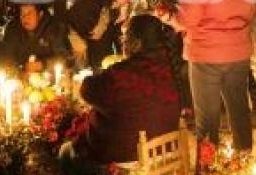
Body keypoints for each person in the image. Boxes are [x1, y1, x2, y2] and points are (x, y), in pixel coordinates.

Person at [171, 0, 256, 150]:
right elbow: (251, 8)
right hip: (238, 50)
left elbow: (185, 20)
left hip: (206, 52)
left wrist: (166, 15)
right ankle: (245, 169)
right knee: (240, 111)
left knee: (207, 122)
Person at [75, 15, 184, 164]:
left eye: (126, 36)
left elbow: (87, 90)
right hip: (166, 153)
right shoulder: (173, 66)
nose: (122, 41)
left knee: (67, 152)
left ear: (137, 43)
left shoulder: (122, 75)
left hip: (127, 157)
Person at [56, 0, 119, 69]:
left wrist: (103, 22)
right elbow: (60, 17)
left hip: (102, 34)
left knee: (102, 67)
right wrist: (73, 36)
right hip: (79, 39)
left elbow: (108, 1)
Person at [0, 3, 70, 71]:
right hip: (19, 78)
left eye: (29, 13)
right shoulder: (13, 29)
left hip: (48, 78)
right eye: (22, 14)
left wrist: (44, 65)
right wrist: (21, 68)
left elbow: (66, 59)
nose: (25, 18)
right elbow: (6, 58)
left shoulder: (54, 29)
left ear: (40, 14)